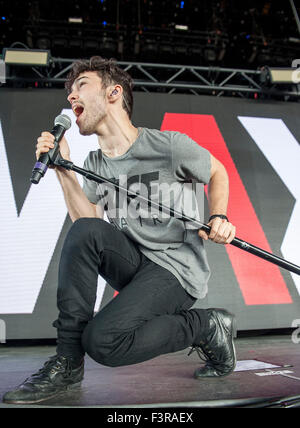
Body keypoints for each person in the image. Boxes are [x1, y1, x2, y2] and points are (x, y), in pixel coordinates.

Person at [3, 56, 237, 405]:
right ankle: (67, 361)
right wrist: (63, 170)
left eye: (81, 85)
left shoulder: (167, 146)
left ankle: (205, 326)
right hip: (136, 265)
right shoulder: (96, 163)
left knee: (102, 342)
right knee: (86, 234)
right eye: (70, 90)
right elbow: (86, 223)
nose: (71, 96)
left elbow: (218, 172)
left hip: (176, 269)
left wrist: (219, 215)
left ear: (113, 93)